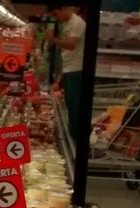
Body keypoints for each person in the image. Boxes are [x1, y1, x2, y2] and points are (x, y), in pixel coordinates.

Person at [45, 4, 86, 137]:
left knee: (74, 103)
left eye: (56, 14)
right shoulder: (67, 24)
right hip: (69, 69)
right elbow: (66, 54)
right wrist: (59, 78)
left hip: (76, 70)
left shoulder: (77, 22)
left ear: (63, 8)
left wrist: (52, 39)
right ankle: (72, 131)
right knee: (70, 101)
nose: (56, 18)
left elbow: (71, 45)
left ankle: (75, 134)